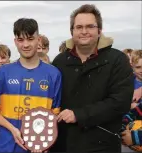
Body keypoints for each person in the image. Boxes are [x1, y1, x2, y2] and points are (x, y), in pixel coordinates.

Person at [51, 4, 134, 153]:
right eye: (79, 27)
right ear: (72, 31)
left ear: (99, 30)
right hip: (63, 144)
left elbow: (120, 102)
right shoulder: (59, 61)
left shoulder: (117, 60)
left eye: (90, 26)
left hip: (102, 144)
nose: (84, 31)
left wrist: (79, 115)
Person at [0, 18, 62, 153]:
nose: (25, 45)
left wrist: (44, 141)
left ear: (38, 40)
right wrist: (12, 129)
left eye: (30, 39)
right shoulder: (4, 72)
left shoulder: (54, 74)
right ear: (15, 42)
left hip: (38, 149)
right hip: (6, 147)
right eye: (20, 40)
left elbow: (54, 114)